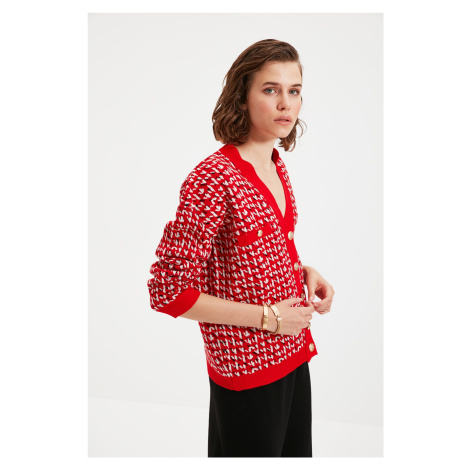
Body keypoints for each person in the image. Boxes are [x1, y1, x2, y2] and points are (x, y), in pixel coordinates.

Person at [147, 39, 335, 458]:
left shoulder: (275, 165)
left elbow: (248, 254)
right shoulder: (213, 178)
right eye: (270, 89)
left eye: (294, 90)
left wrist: (302, 272)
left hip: (293, 355)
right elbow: (168, 291)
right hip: (247, 373)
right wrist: (270, 318)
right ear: (242, 97)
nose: (285, 103)